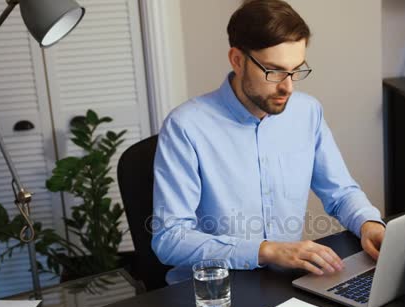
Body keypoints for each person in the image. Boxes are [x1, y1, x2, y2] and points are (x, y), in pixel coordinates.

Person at [152, 0, 385, 284]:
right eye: (274, 71)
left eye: (296, 70)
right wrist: (264, 250)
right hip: (211, 291)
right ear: (237, 60)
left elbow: (341, 192)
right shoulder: (185, 127)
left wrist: (368, 223)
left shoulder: (307, 112)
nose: (288, 86)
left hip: (285, 284)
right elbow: (170, 239)